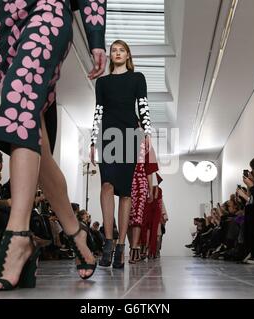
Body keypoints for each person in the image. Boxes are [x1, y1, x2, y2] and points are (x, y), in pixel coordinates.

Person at [0, 0, 107, 290]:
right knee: (35, 141)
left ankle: (18, 234)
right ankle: (76, 233)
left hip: (49, 11)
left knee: (20, 106)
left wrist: (96, 36)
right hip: (1, 22)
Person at [90, 39, 153, 269]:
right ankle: (108, 240)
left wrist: (146, 131)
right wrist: (92, 141)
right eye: (113, 50)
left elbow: (143, 105)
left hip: (129, 135)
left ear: (128, 55)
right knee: (106, 185)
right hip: (107, 134)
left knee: (126, 193)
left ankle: (121, 248)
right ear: (110, 56)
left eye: (121, 50)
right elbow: (98, 110)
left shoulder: (138, 78)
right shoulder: (102, 83)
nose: (117, 53)